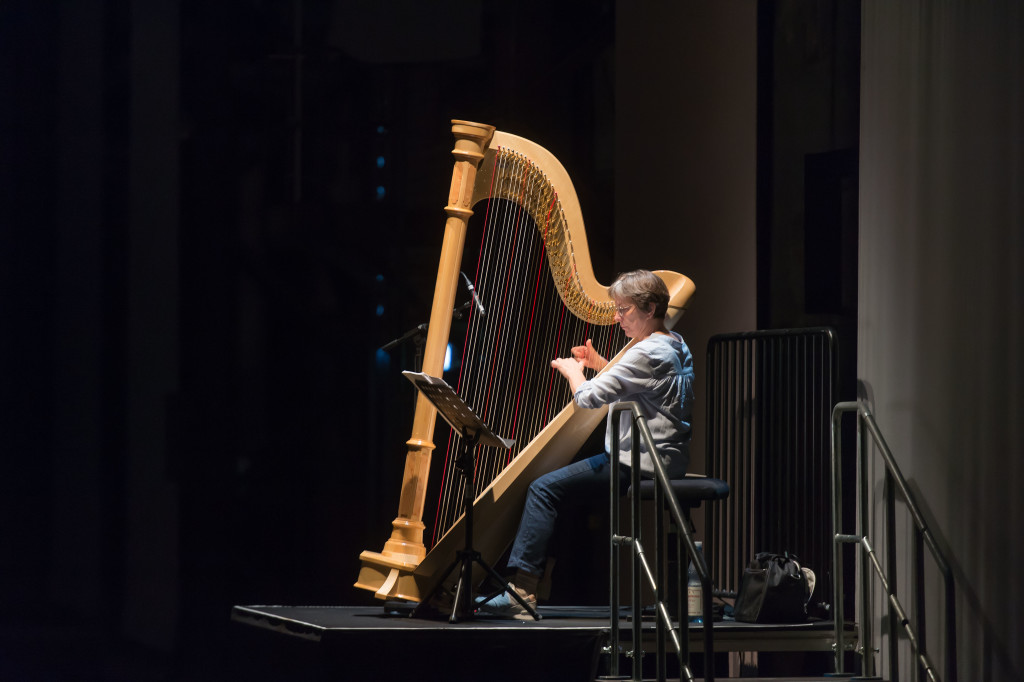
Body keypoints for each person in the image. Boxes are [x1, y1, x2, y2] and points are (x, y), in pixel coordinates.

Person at [477, 269, 695, 619]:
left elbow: (589, 398)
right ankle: (531, 585)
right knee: (556, 489)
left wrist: (573, 372)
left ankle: (521, 593)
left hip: (638, 463)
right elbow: (642, 386)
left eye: (624, 310)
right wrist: (599, 364)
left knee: (542, 489)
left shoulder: (647, 352)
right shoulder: (674, 343)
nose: (617, 317)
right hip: (666, 458)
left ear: (650, 308)